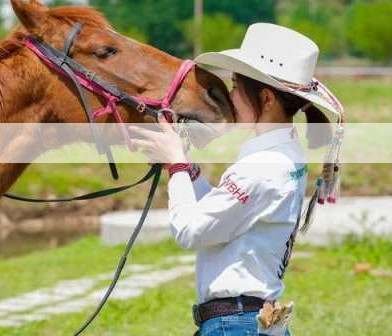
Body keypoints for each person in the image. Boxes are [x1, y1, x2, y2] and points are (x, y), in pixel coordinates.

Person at [129, 23, 344, 336]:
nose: (228, 96)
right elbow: (225, 215)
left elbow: (191, 231)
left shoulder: (262, 166)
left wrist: (177, 165)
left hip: (236, 325)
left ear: (266, 98)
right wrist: (187, 171)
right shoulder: (285, 155)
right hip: (249, 322)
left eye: (235, 87)